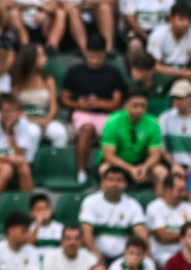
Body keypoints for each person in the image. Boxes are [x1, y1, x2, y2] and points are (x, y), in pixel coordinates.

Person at [60, 38, 125, 183]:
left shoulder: (114, 73)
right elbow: (64, 99)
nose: (95, 60)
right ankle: (81, 170)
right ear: (86, 53)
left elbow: (117, 103)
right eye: (91, 56)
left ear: (104, 55)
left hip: (106, 114)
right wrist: (78, 103)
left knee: (116, 132)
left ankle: (112, 171)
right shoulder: (74, 72)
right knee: (87, 129)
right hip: (82, 113)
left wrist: (99, 103)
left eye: (99, 56)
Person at [99, 88, 165, 190]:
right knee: (104, 169)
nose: (139, 110)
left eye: (143, 106)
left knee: (161, 172)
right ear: (126, 105)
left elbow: (155, 155)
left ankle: (159, 204)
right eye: (135, 106)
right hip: (118, 165)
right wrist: (130, 169)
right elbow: (108, 156)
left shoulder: (153, 123)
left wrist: (144, 167)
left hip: (140, 166)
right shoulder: (113, 121)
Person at [79, 166, 148, 262]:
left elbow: (142, 234)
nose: (114, 184)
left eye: (119, 180)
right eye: (110, 180)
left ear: (125, 184)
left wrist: (146, 255)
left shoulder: (133, 205)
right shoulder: (90, 201)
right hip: (95, 254)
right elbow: (86, 233)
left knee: (148, 263)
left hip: (124, 256)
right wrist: (96, 254)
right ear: (103, 182)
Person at [147, 3, 191, 101]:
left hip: (186, 71)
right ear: (171, 19)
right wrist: (179, 73)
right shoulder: (158, 35)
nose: (186, 24)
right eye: (181, 19)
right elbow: (155, 66)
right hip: (165, 73)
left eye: (188, 20)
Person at [11, 43, 69, 148]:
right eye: (41, 55)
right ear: (31, 59)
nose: (45, 58)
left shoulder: (48, 80)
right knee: (33, 132)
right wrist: (32, 120)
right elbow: (15, 108)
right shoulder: (17, 82)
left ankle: (55, 161)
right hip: (25, 121)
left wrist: (47, 120)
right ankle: (29, 162)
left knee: (59, 132)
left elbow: (53, 106)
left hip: (45, 119)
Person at [146, 174, 191, 267]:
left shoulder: (188, 207)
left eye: (184, 190)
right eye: (180, 190)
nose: (184, 194)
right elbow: (163, 236)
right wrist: (190, 235)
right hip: (165, 254)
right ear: (167, 190)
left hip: (189, 252)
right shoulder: (154, 207)